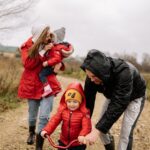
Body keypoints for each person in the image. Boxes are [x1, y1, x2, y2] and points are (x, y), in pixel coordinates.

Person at [80, 49, 146, 150]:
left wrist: (97, 130)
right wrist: (85, 125)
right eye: (89, 77)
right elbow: (88, 102)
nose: (91, 80)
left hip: (135, 97)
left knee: (125, 133)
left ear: (102, 72)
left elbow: (118, 104)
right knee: (101, 128)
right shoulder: (91, 77)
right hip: (115, 95)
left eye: (93, 76)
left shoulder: (124, 72)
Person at [18, 24, 64, 150]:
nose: (50, 37)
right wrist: (43, 51)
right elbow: (28, 64)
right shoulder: (26, 46)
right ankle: (32, 133)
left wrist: (59, 65)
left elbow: (58, 57)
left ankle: (39, 146)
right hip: (32, 84)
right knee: (32, 114)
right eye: (47, 34)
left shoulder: (52, 44)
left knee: (44, 116)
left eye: (50, 34)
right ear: (40, 35)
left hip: (47, 85)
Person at [40, 82, 92, 150]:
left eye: (75, 102)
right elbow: (54, 121)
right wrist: (47, 130)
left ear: (80, 101)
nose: (72, 104)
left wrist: (82, 135)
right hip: (63, 141)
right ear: (65, 101)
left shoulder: (84, 113)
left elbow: (87, 126)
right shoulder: (63, 110)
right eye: (69, 101)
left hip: (77, 143)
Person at [39, 31, 74, 97]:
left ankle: (48, 89)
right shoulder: (56, 47)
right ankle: (56, 89)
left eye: (52, 38)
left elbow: (57, 59)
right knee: (51, 76)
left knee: (42, 74)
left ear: (56, 39)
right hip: (53, 65)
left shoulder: (56, 48)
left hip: (51, 65)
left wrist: (47, 62)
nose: (50, 39)